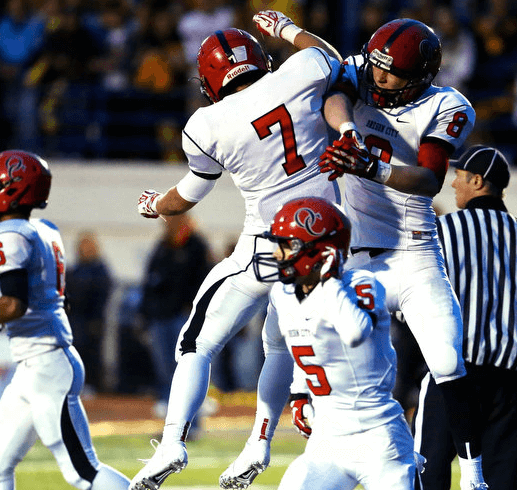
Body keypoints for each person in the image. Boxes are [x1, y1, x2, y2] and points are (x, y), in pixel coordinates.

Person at [255, 11, 486, 489]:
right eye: (375, 67)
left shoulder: (448, 105)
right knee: (311, 325)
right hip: (357, 253)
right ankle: (304, 403)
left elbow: (428, 179)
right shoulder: (365, 71)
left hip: (414, 254)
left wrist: (372, 167)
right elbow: (335, 78)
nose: (378, 77)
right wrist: (346, 134)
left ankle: (473, 475)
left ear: (420, 76)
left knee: (447, 362)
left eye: (390, 72)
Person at [130, 27, 358, 490]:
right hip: (326, 243)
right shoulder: (299, 72)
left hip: (265, 244)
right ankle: (259, 440)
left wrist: (154, 204)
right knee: (278, 344)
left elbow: (187, 196)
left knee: (196, 343)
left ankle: (174, 439)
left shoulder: (205, 124)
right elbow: (329, 57)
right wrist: (289, 30)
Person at [218, 197, 421, 490]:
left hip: (378, 438)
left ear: (321, 252)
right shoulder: (285, 294)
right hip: (327, 438)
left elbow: (355, 332)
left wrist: (327, 283)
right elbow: (302, 343)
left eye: (287, 245)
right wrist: (299, 393)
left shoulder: (361, 283)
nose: (277, 254)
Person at [0, 150, 130, 490]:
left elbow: (13, 304)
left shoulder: (4, 235)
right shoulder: (44, 229)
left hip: (47, 364)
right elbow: (31, 297)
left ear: (13, 188)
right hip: (34, 364)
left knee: (83, 471)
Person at [416, 146, 517, 490]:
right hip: (509, 381)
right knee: (501, 477)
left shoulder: (443, 230)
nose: (453, 184)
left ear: (477, 180)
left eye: (458, 176)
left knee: (430, 471)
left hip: (451, 373)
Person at [139, 214, 211, 415]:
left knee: (186, 368)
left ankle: (191, 420)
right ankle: (169, 414)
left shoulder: (197, 247)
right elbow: (149, 282)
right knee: (164, 369)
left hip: (184, 317)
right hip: (160, 317)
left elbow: (205, 282)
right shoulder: (161, 247)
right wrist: (145, 315)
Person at [66, 230, 113, 392]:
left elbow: (101, 295)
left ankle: (93, 386)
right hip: (73, 321)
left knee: (92, 355)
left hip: (92, 321)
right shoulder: (74, 270)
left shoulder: (100, 270)